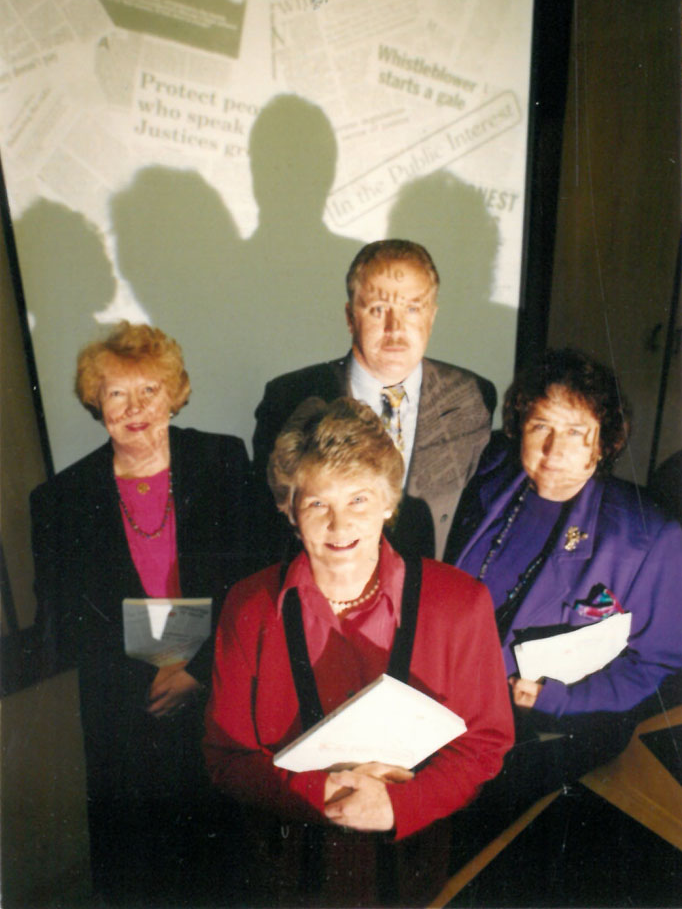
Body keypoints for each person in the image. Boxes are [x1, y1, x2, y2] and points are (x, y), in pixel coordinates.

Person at [204, 397, 513, 908]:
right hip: (291, 879)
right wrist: (320, 795)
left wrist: (399, 804)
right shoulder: (250, 606)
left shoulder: (459, 602)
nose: (339, 524)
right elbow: (227, 756)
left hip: (415, 876)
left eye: (359, 500)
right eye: (317, 503)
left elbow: (485, 744)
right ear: (289, 508)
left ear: (390, 502)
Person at [30, 322, 251, 906]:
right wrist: (153, 676)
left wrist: (195, 670)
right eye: (116, 394)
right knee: (144, 878)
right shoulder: (61, 498)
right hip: (127, 718)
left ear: (174, 394)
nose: (135, 409)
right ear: (95, 403)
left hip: (219, 694)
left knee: (225, 871)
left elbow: (255, 587)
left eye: (149, 390)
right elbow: (61, 622)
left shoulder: (223, 460)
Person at [446, 348, 682, 846]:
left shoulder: (648, 536)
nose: (554, 452)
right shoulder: (494, 479)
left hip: (550, 724)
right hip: (454, 692)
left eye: (577, 433)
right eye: (540, 427)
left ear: (607, 441)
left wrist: (560, 696)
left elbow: (654, 667)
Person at [253, 239, 496, 565]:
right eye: (378, 309)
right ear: (350, 317)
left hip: (429, 601)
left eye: (412, 308)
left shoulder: (472, 398)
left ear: (432, 316)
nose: (395, 329)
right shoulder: (288, 398)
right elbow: (271, 530)